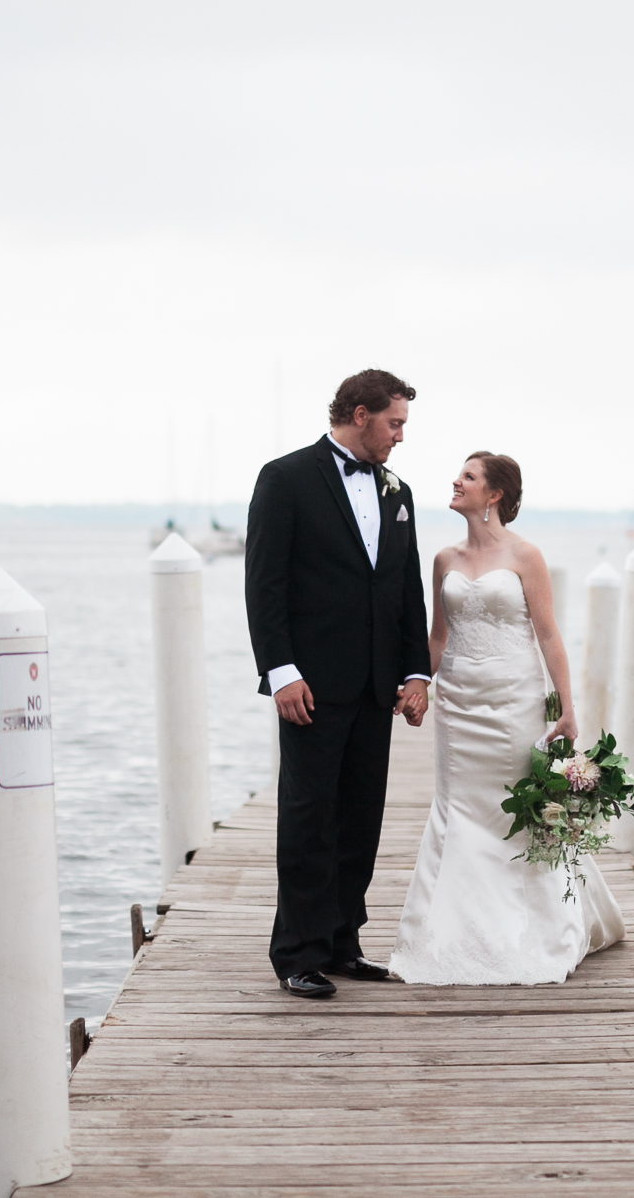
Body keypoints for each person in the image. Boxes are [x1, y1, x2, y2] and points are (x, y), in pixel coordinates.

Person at [388, 451, 624, 985]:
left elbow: (548, 635)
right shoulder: (444, 559)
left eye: (468, 477)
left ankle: (537, 930)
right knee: (457, 808)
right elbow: (439, 637)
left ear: (494, 494)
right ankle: (444, 932)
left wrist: (566, 707)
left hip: (514, 696)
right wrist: (414, 685)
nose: (456, 480)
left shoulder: (526, 556)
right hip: (458, 703)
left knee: (511, 807)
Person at [244, 369, 431, 999]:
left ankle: (342, 942)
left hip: (377, 685)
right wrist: (280, 672)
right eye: (394, 422)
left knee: (360, 819)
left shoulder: (396, 490)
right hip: (311, 685)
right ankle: (296, 953)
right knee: (307, 818)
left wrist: (414, 671)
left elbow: (406, 588)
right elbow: (264, 585)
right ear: (359, 413)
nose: (401, 436)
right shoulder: (285, 478)